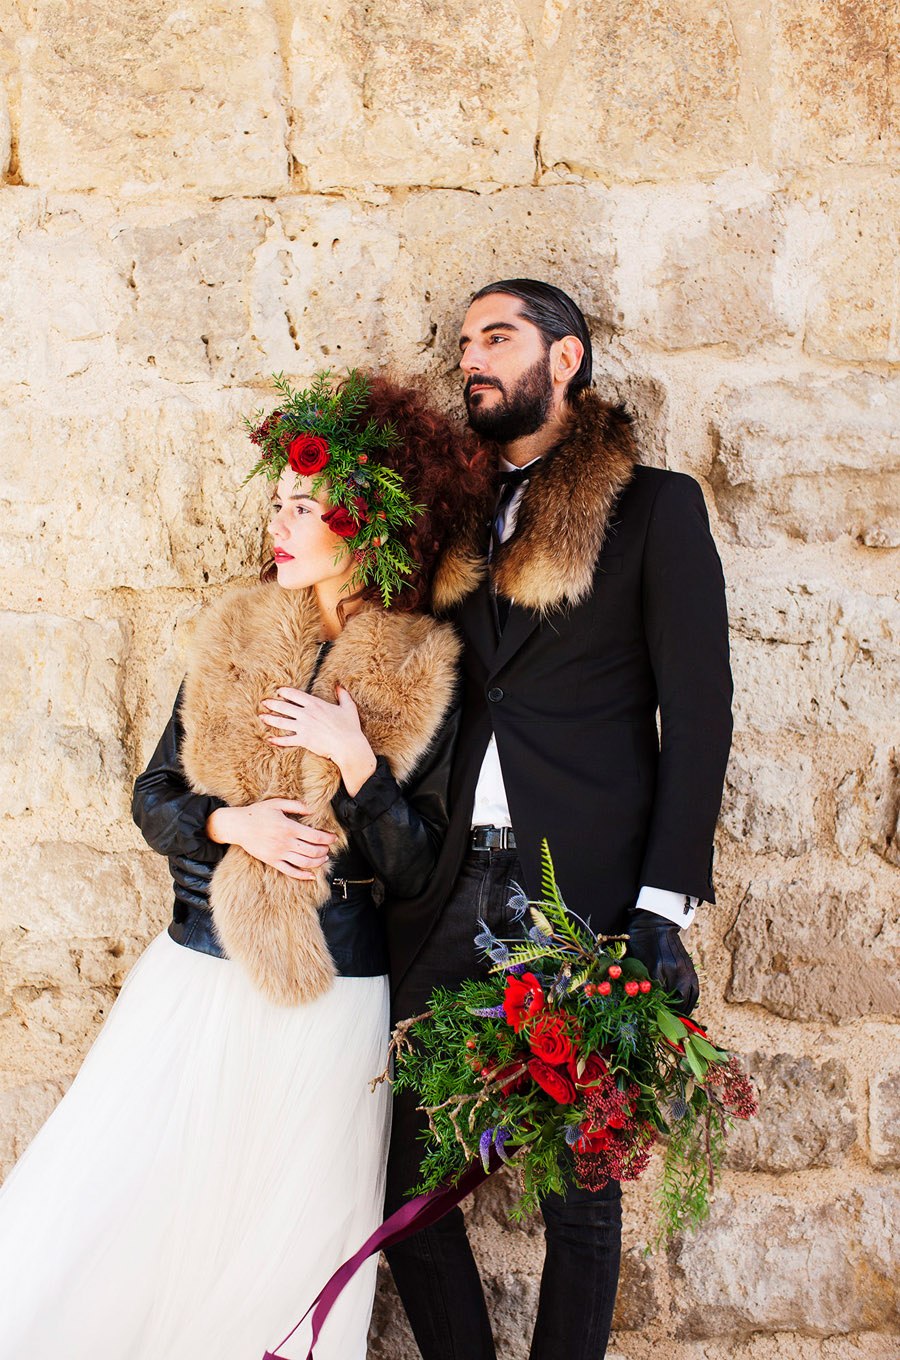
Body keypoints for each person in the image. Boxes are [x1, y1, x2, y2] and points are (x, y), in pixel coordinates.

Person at [0, 372, 474, 1360]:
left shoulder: (426, 664)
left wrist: (359, 766)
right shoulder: (233, 635)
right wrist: (232, 825)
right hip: (199, 966)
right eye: (278, 502)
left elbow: (422, 867)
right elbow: (154, 796)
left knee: (286, 1239)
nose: (282, 521)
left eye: (305, 505)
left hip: (331, 994)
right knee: (122, 1200)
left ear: (366, 522)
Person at [382, 281, 734, 1359]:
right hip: (448, 890)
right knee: (399, 1184)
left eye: (499, 338)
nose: (472, 358)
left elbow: (702, 709)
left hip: (577, 898)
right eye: (464, 344)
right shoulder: (452, 520)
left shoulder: (656, 509)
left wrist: (660, 907)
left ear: (566, 359)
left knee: (580, 1188)